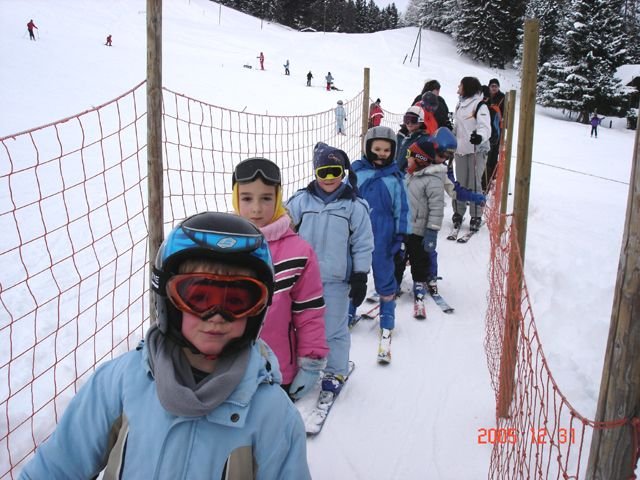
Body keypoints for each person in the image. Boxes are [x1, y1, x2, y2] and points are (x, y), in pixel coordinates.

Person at [19, 211, 311, 479]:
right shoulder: (118, 385)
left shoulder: (274, 415)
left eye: (237, 301)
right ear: (169, 301)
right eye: (198, 297)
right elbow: (56, 468)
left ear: (257, 310)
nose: (217, 316)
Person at [232, 157, 329, 402]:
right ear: (235, 199)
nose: (256, 209)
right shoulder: (222, 247)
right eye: (247, 198)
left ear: (277, 199)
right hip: (226, 369)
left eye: (266, 198)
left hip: (276, 369)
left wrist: (311, 361)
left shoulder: (298, 252)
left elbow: (309, 312)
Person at [286, 143, 373, 398]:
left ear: (343, 172)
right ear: (315, 173)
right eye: (323, 172)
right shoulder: (300, 201)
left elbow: (363, 243)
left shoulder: (354, 206)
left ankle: (335, 370)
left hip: (336, 280)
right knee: (299, 324)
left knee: (334, 328)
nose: (329, 178)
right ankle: (300, 365)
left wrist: (360, 275)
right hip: (302, 279)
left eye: (335, 171)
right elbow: (283, 229)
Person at [351, 126, 411, 363]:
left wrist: (401, 235)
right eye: (377, 149)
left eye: (386, 150)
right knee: (353, 272)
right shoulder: (356, 173)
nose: (381, 154)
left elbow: (402, 209)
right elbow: (346, 200)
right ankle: (349, 309)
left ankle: (387, 315)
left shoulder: (395, 178)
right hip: (357, 232)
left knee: (385, 274)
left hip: (384, 232)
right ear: (368, 148)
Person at [401, 137, 446, 313]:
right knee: (399, 257)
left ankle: (419, 282)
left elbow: (437, 208)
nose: (407, 158)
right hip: (404, 227)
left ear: (420, 159)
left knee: (419, 258)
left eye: (409, 154)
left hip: (420, 230)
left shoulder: (433, 180)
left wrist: (432, 231)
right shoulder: (409, 175)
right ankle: (394, 281)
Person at [451, 76, 491, 232]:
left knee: (474, 183)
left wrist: (479, 136)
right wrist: (451, 133)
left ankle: (476, 215)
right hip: (461, 150)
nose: (458, 88)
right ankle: (458, 212)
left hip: (476, 150)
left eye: (460, 85)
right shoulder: (460, 104)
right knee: (461, 183)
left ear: (467, 87)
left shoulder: (480, 105)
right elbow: (459, 127)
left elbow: (485, 127)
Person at [483, 78, 506, 192]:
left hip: (496, 131)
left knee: (492, 156)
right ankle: (485, 181)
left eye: (496, 86)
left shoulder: (502, 98)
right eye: (492, 86)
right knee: (485, 157)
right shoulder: (484, 96)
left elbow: (505, 113)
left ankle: (490, 179)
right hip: (485, 130)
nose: (494, 88)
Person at [395, 105, 428, 174]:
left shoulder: (423, 140)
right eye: (406, 119)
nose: (409, 123)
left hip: (406, 176)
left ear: (420, 122)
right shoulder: (400, 136)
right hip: (394, 173)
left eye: (413, 120)